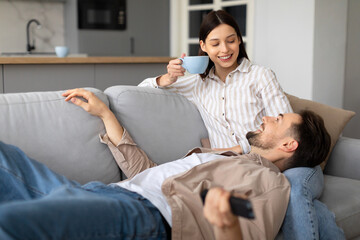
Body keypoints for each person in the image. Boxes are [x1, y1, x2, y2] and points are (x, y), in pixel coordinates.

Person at [0, 88, 335, 240]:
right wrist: (104, 113)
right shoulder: (231, 156)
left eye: (276, 119)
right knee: (6, 156)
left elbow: (239, 226)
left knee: (12, 222)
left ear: (289, 144)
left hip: (142, 215)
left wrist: (223, 218)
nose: (266, 118)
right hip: (105, 192)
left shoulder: (271, 185)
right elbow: (148, 170)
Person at [138, 10, 343, 239]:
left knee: (293, 191)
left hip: (291, 162)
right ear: (203, 46)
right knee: (310, 206)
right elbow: (141, 91)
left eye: (231, 40)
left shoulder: (260, 76)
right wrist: (167, 78)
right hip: (245, 168)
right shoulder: (198, 84)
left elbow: (285, 128)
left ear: (239, 40)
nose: (225, 50)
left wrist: (239, 149)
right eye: (215, 43)